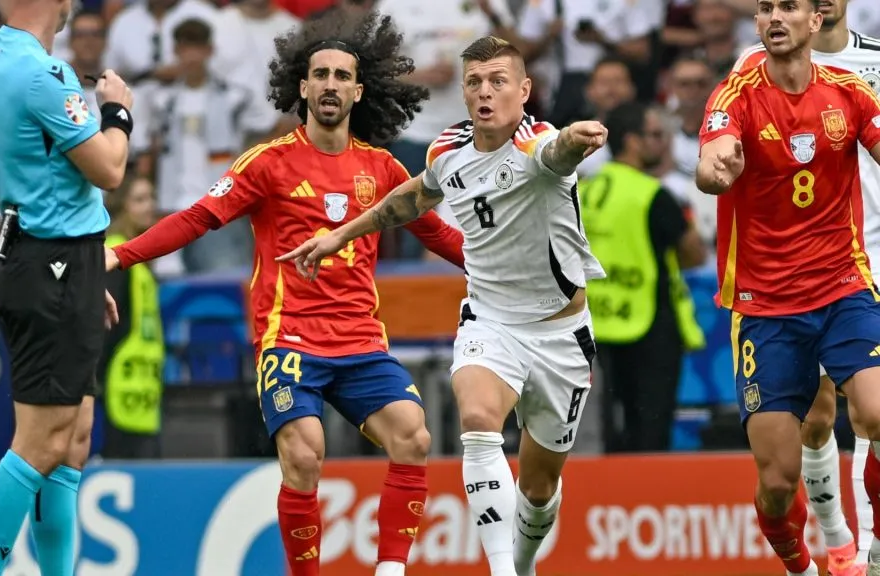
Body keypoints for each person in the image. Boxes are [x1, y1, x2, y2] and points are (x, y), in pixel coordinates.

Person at [106, 9, 465, 576]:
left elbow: (439, 235)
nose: (330, 85)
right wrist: (119, 254)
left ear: (358, 90)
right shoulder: (269, 163)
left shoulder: (383, 169)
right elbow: (198, 217)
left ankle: (392, 570)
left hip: (360, 341)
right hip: (289, 338)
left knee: (413, 437)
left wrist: (509, 270)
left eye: (342, 76)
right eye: (320, 75)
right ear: (302, 87)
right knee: (304, 452)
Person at [281, 36, 607, 576]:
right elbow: (411, 198)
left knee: (539, 486)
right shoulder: (447, 150)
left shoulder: (537, 145)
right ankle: (502, 570)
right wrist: (341, 235)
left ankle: (522, 562)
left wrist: (574, 139)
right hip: (490, 319)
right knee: (477, 420)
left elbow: (558, 152)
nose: (485, 92)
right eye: (475, 82)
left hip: (559, 334)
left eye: (498, 81)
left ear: (524, 90)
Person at [696, 0, 880, 573]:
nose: (774, 17)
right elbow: (712, 154)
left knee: (877, 413)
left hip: (844, 284)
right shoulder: (736, 91)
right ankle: (803, 565)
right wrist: (715, 168)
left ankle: (873, 552)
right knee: (778, 481)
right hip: (766, 305)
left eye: (788, 7)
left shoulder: (850, 91)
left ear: (814, 20)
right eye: (765, 8)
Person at [0, 0, 134, 571]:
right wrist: (118, 112)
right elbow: (109, 169)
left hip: (57, 260)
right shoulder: (43, 73)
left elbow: (47, 176)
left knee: (72, 441)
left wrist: (84, 277)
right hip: (52, 263)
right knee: (42, 442)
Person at [582, 100, 706, 454]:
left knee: (605, 432)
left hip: (594, 321)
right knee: (650, 432)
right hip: (649, 322)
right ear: (632, 141)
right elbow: (694, 254)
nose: (661, 143)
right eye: (653, 135)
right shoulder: (652, 194)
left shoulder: (585, 189)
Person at [100, 175, 163, 459]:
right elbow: (107, 322)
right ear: (122, 206)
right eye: (139, 199)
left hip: (141, 387)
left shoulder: (140, 257)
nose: (150, 206)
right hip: (119, 384)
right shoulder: (114, 253)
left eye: (151, 198)